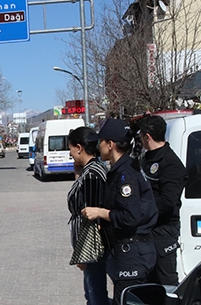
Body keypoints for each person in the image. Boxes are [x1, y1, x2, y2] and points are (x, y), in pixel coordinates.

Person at [81, 119, 158, 305]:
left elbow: (130, 217)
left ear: (110, 144)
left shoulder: (126, 175)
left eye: (100, 141)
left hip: (132, 252)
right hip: (127, 250)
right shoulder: (122, 169)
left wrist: (100, 213)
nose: (97, 146)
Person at [137, 115, 188, 285]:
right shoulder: (147, 159)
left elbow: (167, 202)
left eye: (141, 135)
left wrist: (140, 210)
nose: (140, 139)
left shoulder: (171, 163)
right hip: (147, 229)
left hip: (163, 231)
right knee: (147, 279)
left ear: (148, 136)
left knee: (165, 279)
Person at [67, 127, 109, 305]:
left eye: (70, 149)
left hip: (92, 247)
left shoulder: (92, 174)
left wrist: (84, 254)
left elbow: (93, 218)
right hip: (89, 246)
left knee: (95, 294)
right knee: (92, 292)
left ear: (79, 147)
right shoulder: (88, 171)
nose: (70, 154)